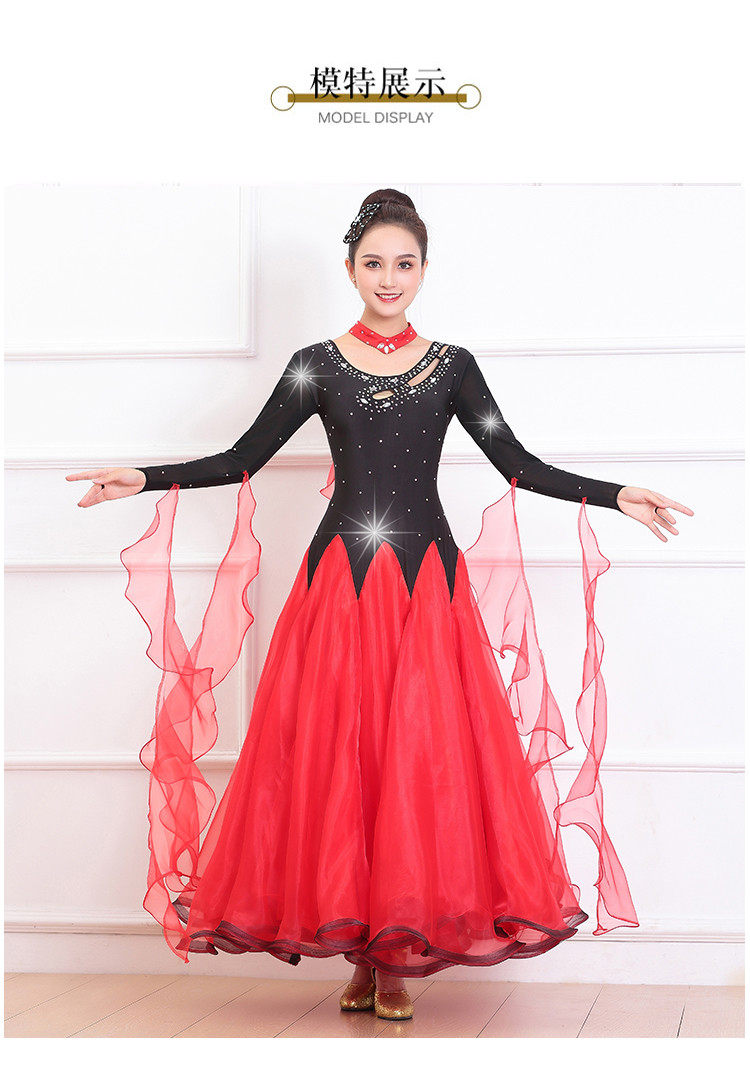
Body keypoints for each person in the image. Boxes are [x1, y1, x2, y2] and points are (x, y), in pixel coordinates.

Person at [66, 189, 693, 1021]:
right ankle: (364, 956)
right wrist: (144, 476)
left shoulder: (453, 365)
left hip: (426, 588)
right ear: (350, 269)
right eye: (374, 263)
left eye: (404, 263)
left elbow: (518, 464)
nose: (389, 278)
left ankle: (393, 957)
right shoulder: (316, 364)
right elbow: (243, 458)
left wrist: (616, 493)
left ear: (424, 269)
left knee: (418, 762)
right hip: (339, 586)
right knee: (341, 760)